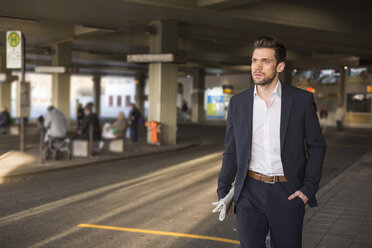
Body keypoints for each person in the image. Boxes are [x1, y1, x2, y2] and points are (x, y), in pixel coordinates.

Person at [217, 36, 326, 248]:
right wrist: (223, 190)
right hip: (249, 192)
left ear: (280, 66)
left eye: (265, 61)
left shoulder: (301, 101)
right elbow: (231, 151)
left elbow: (317, 145)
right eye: (254, 60)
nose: (257, 67)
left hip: (287, 192)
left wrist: (307, 190)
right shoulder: (238, 103)